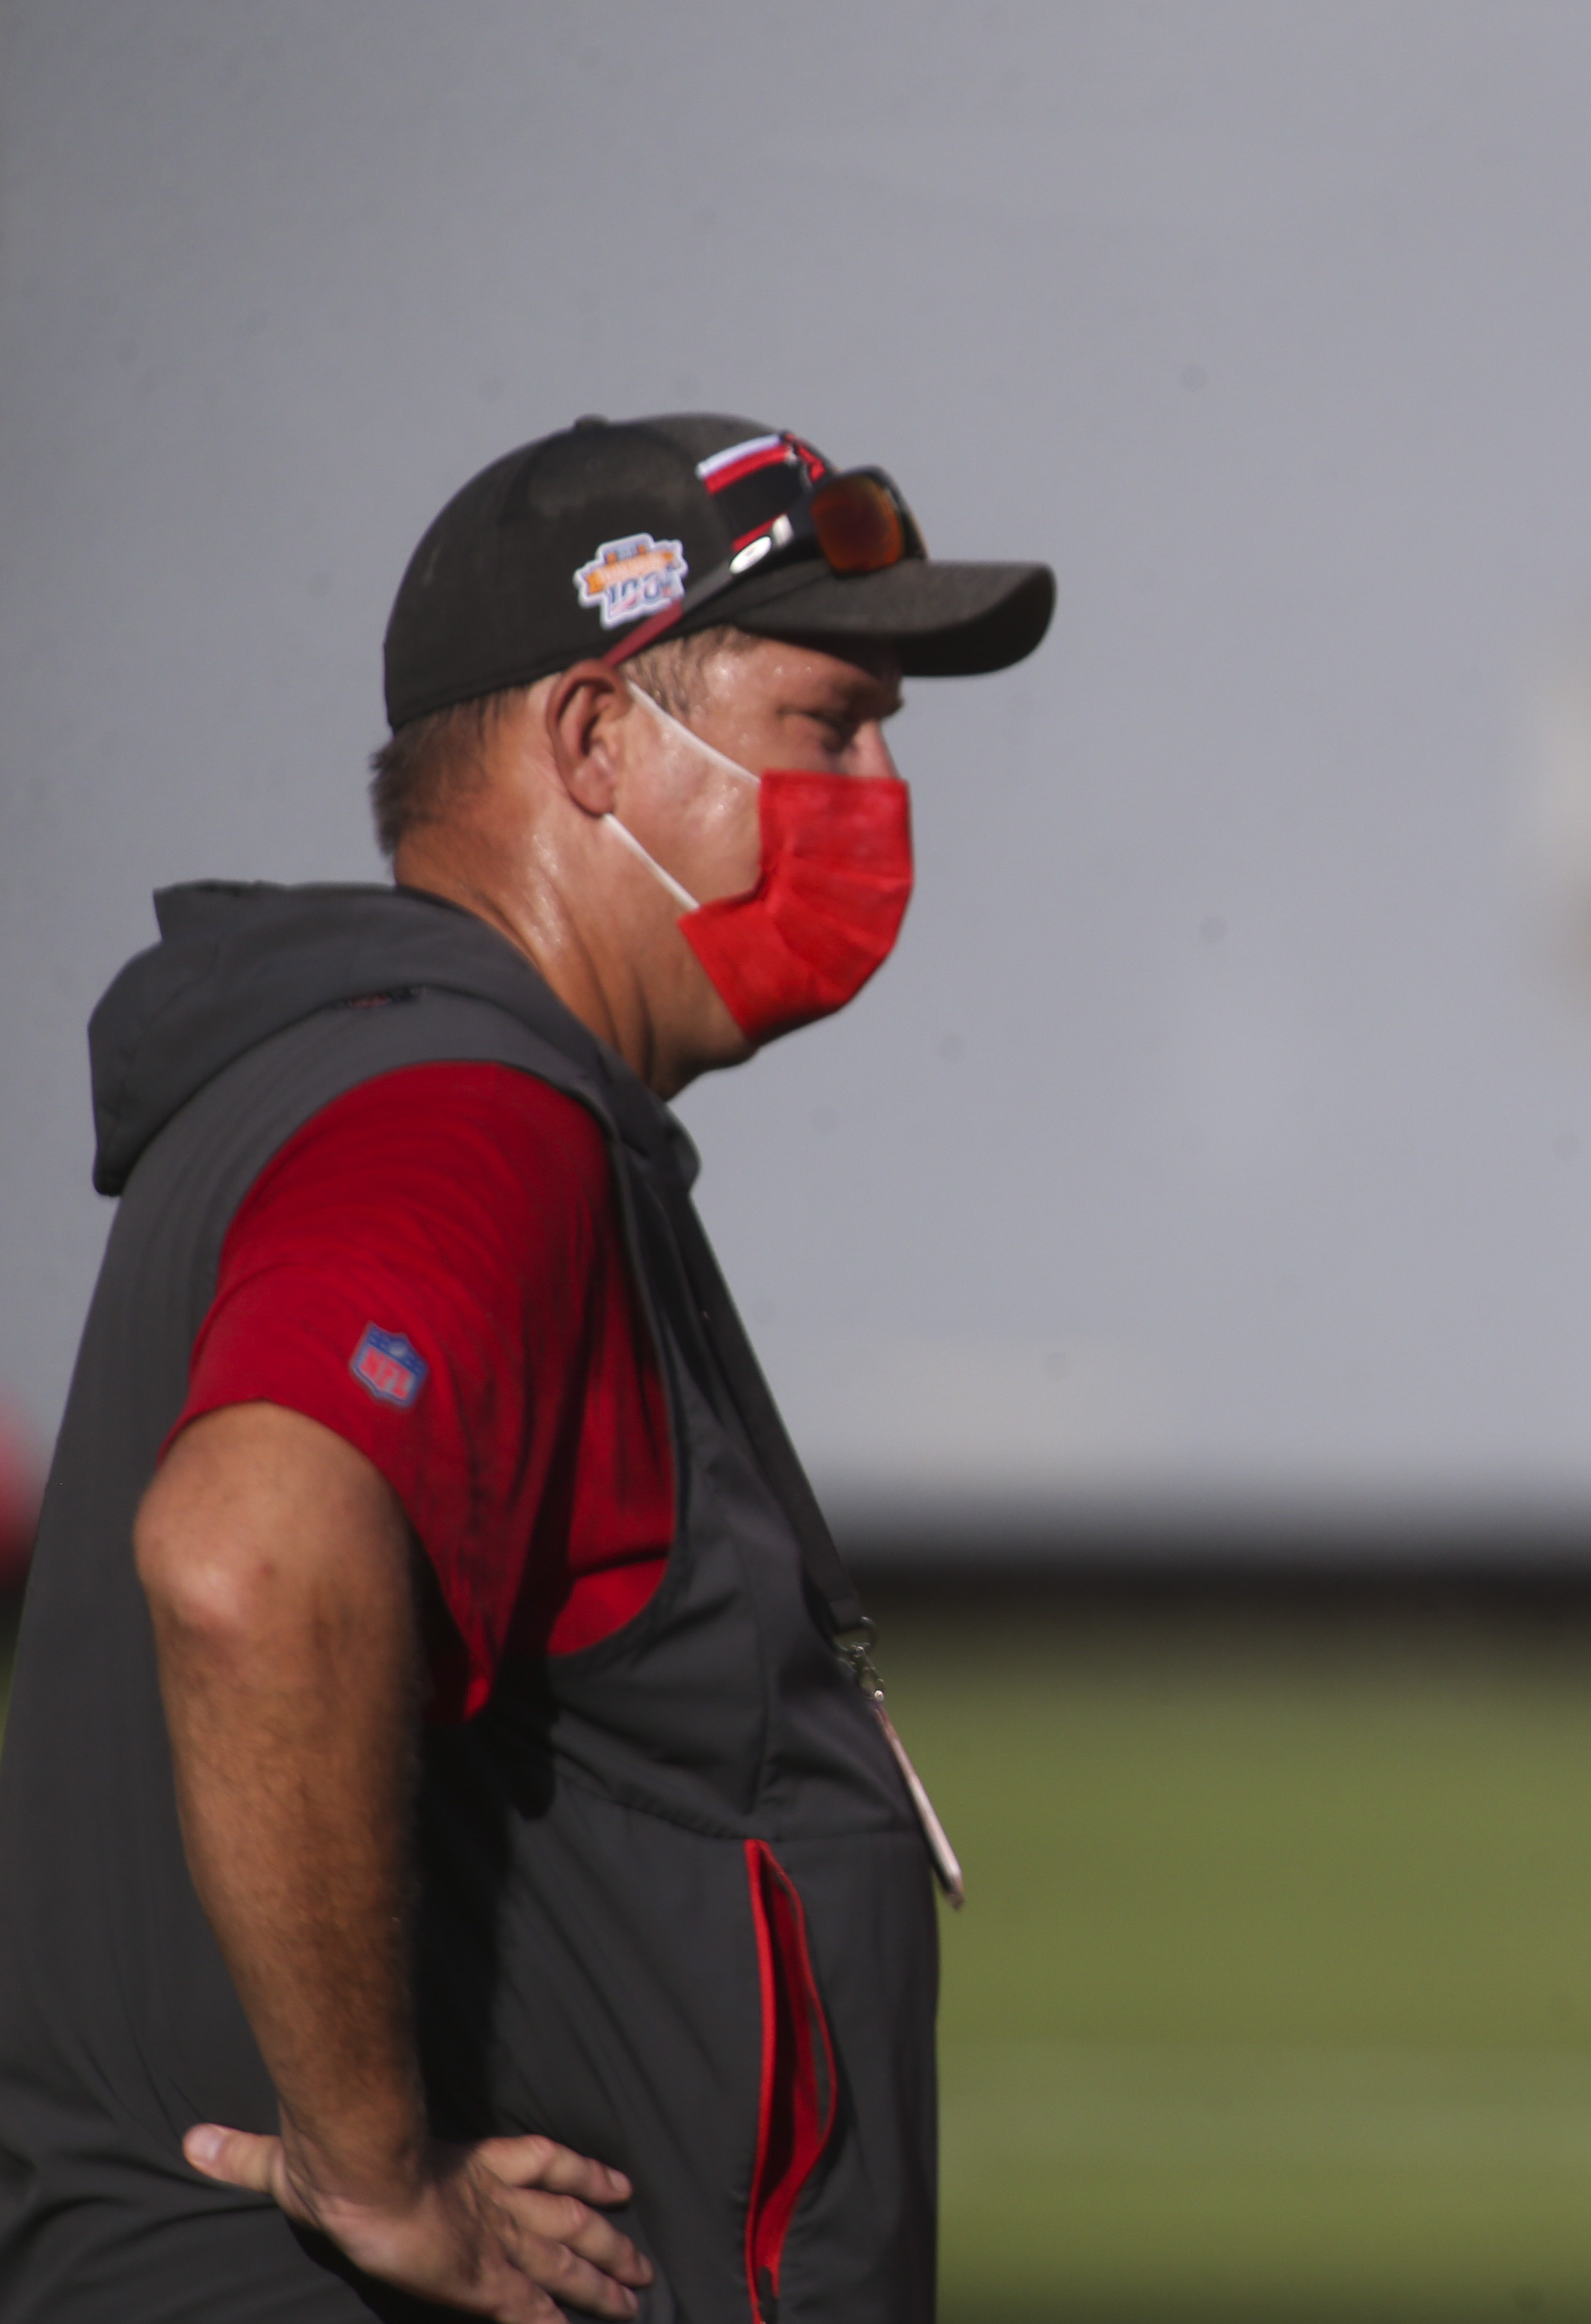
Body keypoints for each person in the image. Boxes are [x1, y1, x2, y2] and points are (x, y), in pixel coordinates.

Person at [0, 414, 1054, 2321]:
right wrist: (377, 2174)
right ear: (591, 743)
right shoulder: (464, 1112)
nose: (881, 795)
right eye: (829, 726)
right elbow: (246, 1554)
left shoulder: (423, 1084)